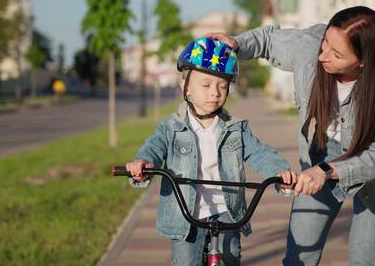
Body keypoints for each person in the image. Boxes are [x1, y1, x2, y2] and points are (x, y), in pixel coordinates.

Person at [208, 6, 375, 265]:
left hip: (374, 173)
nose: (322, 56)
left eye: (336, 54)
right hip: (322, 155)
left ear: (363, 61)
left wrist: (327, 171)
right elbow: (269, 40)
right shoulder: (310, 46)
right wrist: (237, 43)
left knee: (365, 258)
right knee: (298, 259)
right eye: (326, 41)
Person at [125, 37, 297, 266]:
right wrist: (143, 163)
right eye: (205, 85)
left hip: (227, 211)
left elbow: (259, 152)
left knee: (230, 257)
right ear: (184, 86)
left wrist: (280, 172)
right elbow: (154, 146)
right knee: (186, 261)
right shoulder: (171, 127)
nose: (214, 93)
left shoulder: (236, 128)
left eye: (222, 86)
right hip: (186, 215)